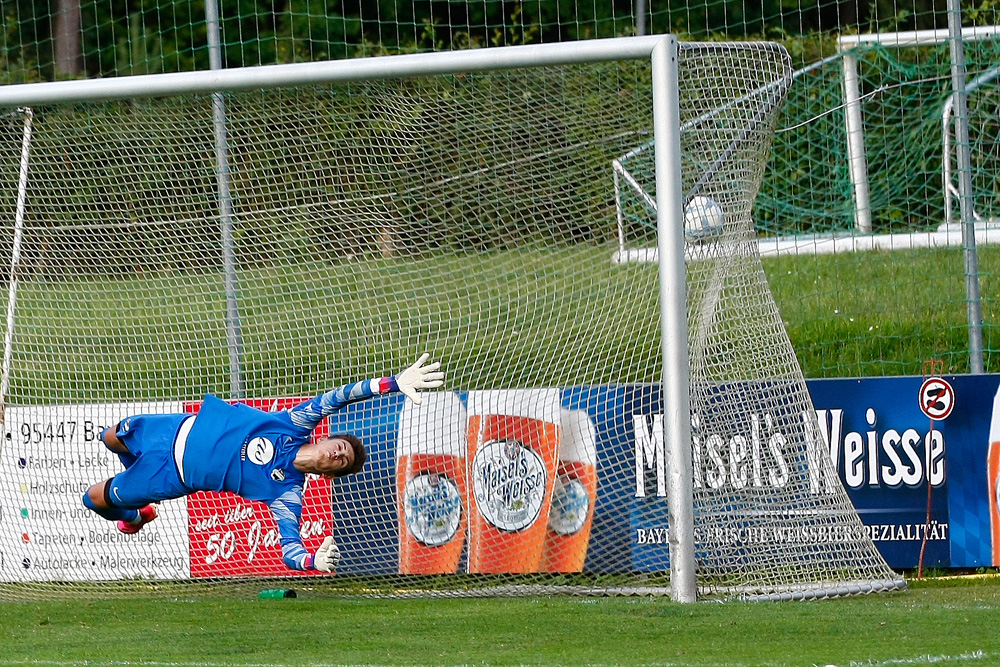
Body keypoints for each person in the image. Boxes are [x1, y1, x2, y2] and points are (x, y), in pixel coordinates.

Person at [82, 354, 443, 573]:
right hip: (173, 428)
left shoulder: (286, 491)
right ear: (326, 439)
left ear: (332, 473)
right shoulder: (294, 423)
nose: (337, 454)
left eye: (342, 461)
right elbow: (340, 396)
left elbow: (290, 549)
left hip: (169, 475)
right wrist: (393, 383)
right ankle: (135, 506)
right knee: (109, 436)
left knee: (93, 499)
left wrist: (311, 562)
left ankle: (133, 515)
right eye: (339, 447)